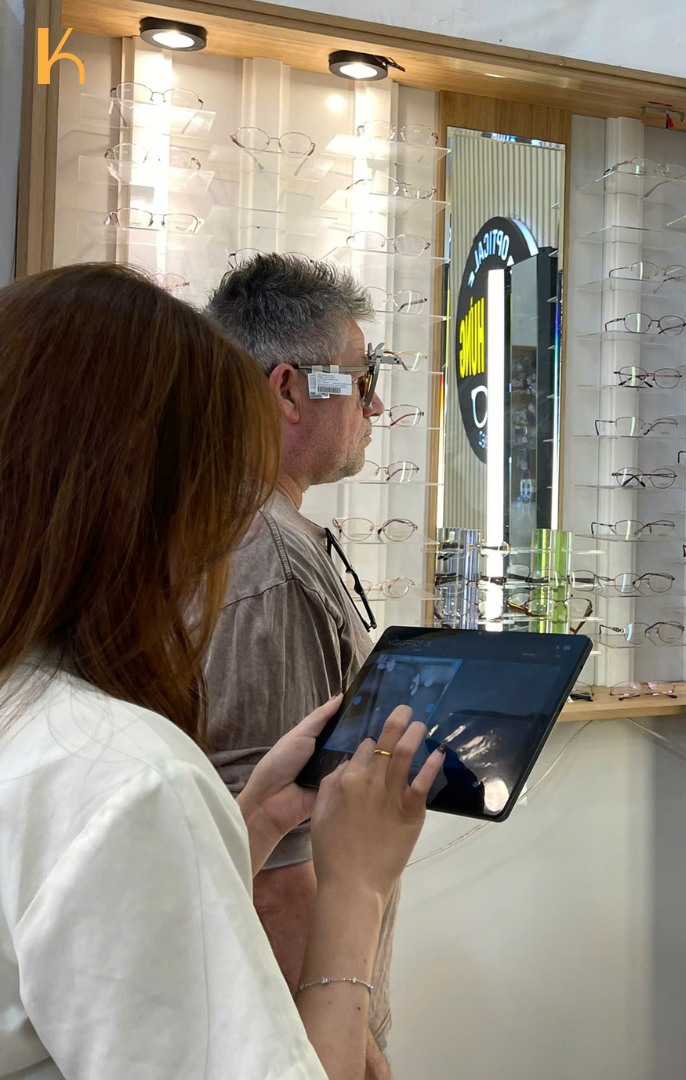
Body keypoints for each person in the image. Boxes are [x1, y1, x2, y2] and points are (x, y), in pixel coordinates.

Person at [0, 262, 444, 1078]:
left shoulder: (28, 707)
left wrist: (248, 823)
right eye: (217, 452)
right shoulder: (128, 774)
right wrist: (356, 889)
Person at [201, 254, 397, 1074]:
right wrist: (354, 1055)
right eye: (361, 379)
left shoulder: (242, 530)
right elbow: (278, 873)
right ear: (288, 390)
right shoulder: (268, 560)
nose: (374, 405)